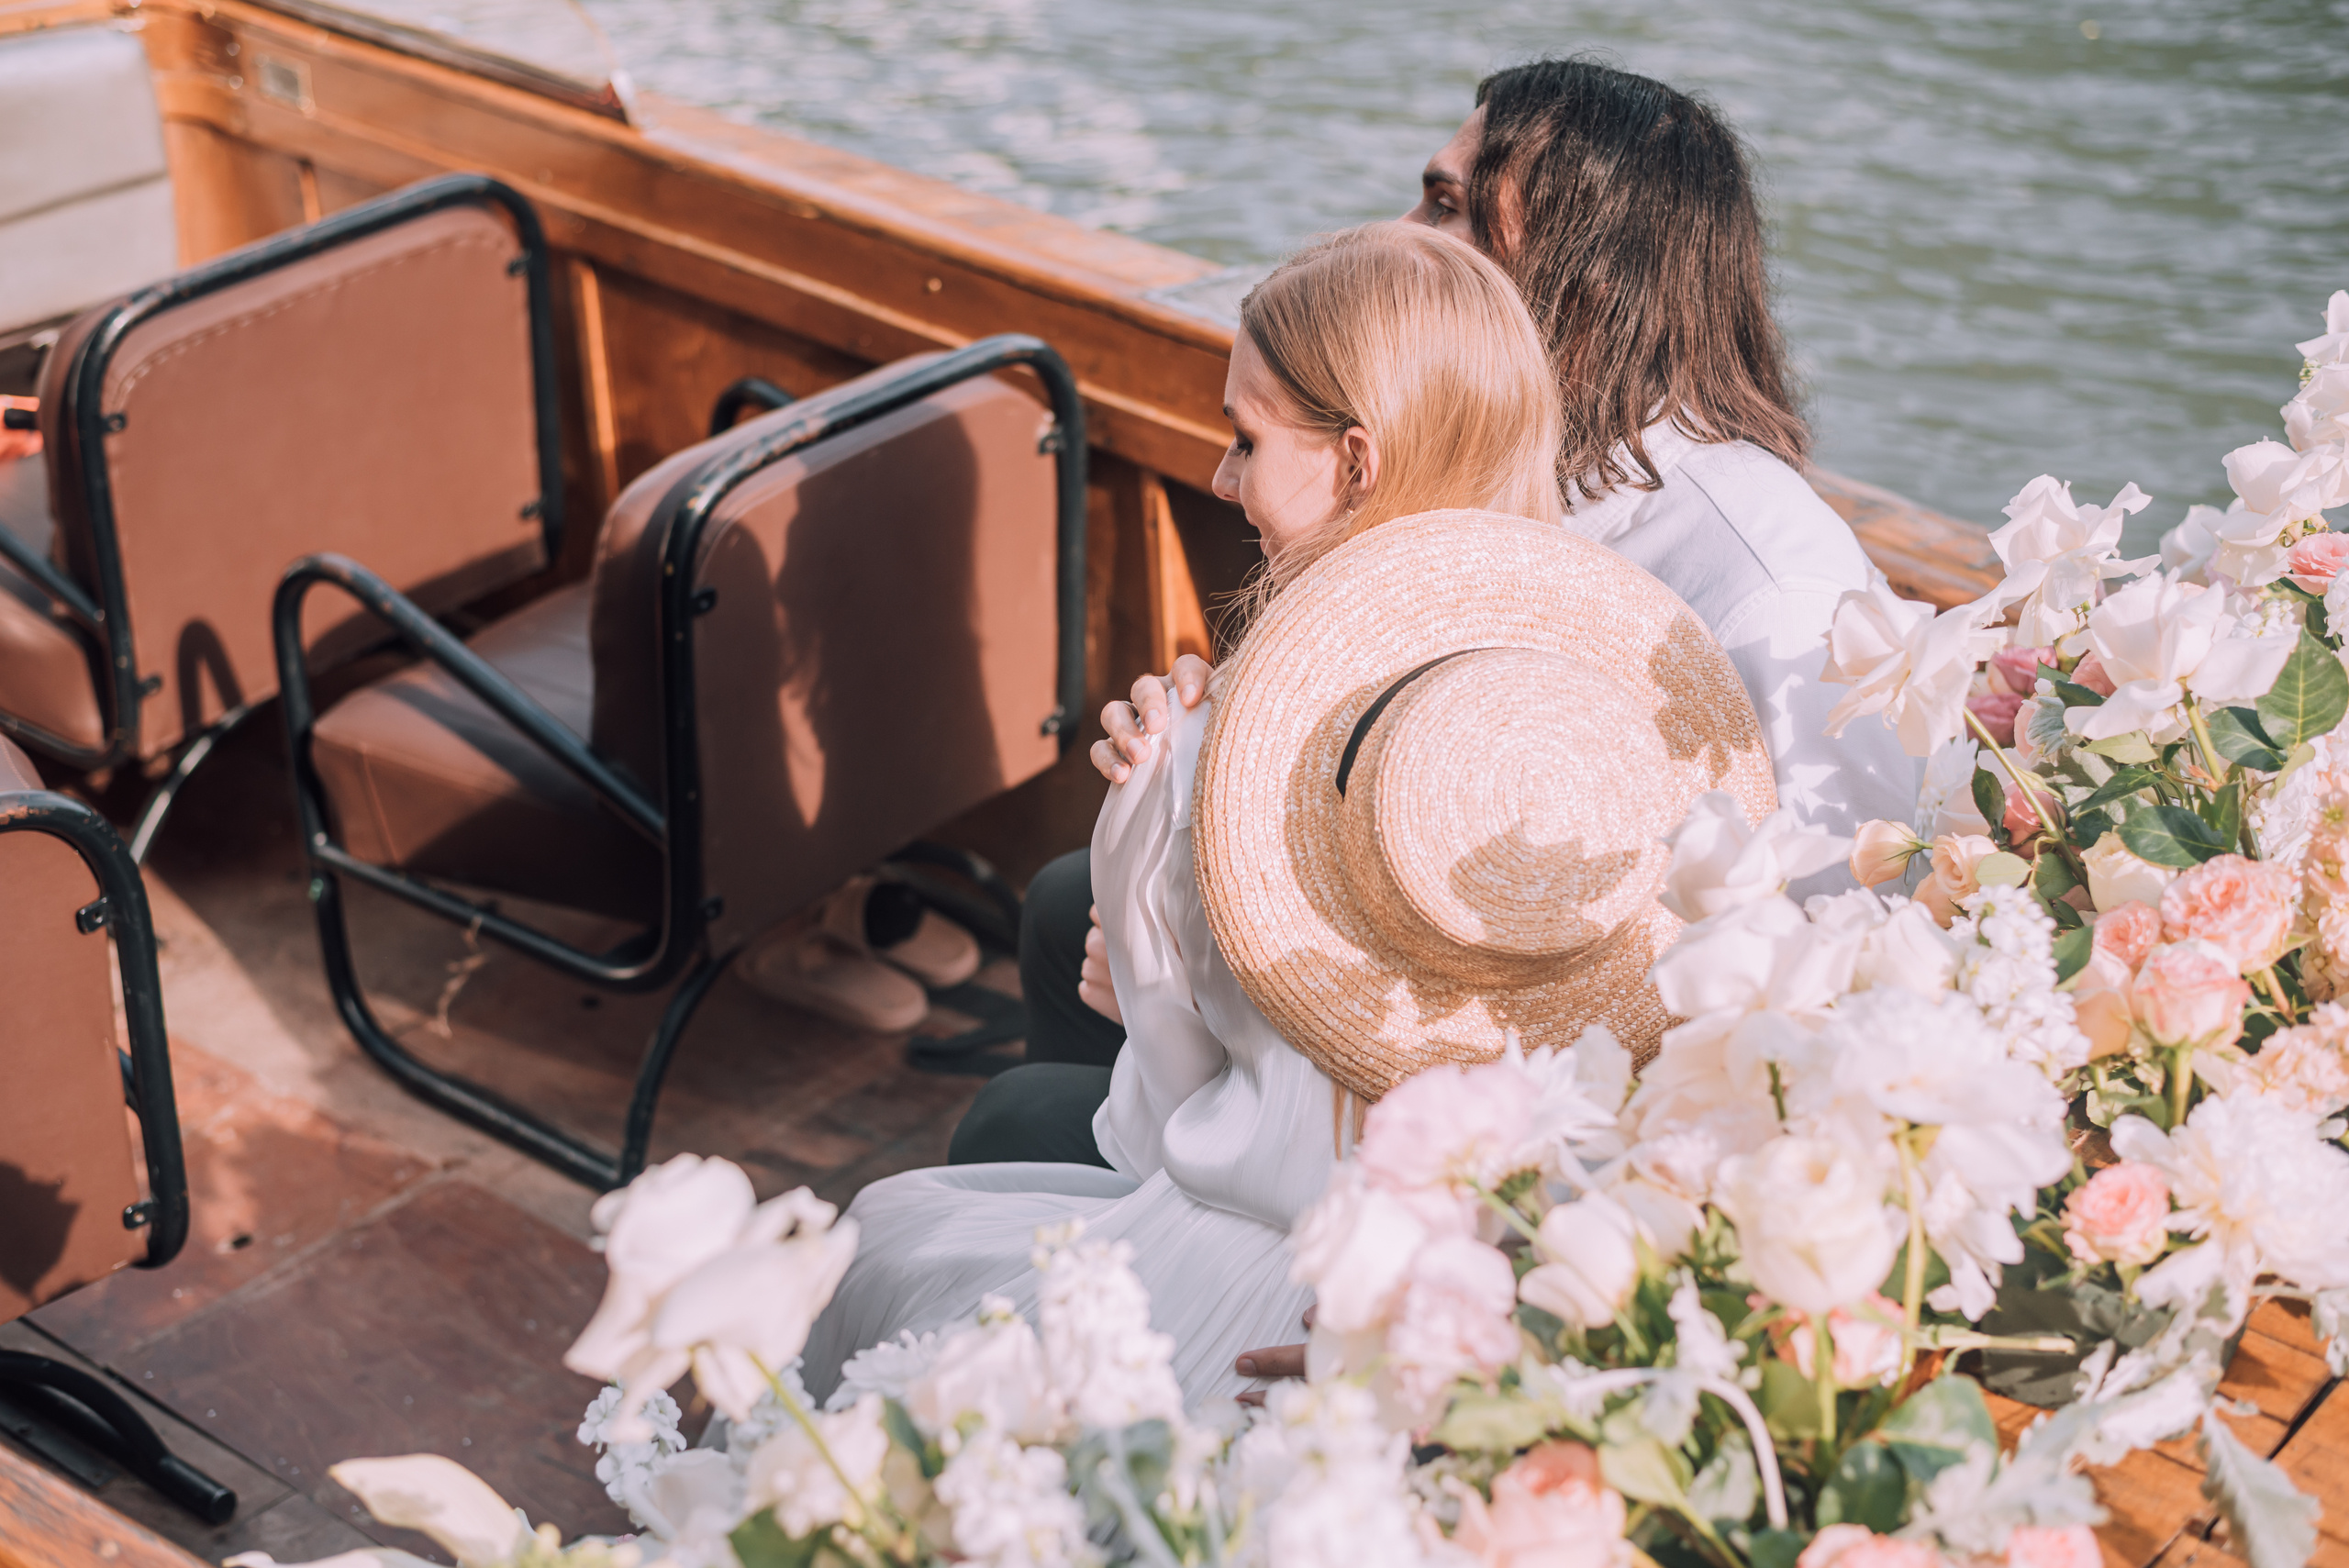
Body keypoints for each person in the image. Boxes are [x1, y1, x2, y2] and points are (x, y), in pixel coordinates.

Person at [799, 221, 1777, 1408]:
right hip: (1519, 1294)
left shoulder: (1221, 763)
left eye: (1245, 439)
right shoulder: (1597, 725)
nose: (1221, 479)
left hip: (1260, 1300)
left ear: (1357, 464)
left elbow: (1158, 1126)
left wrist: (1145, 848)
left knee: (881, 1258)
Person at [946, 55, 1914, 1178]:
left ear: (1587, 282)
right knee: (1072, 901)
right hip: (1407, 989)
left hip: (1564, 1114)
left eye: (1446, 206)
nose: (1398, 228)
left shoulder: (1769, 592)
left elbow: (1829, 971)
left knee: (1016, 1113)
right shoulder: (1478, 459)